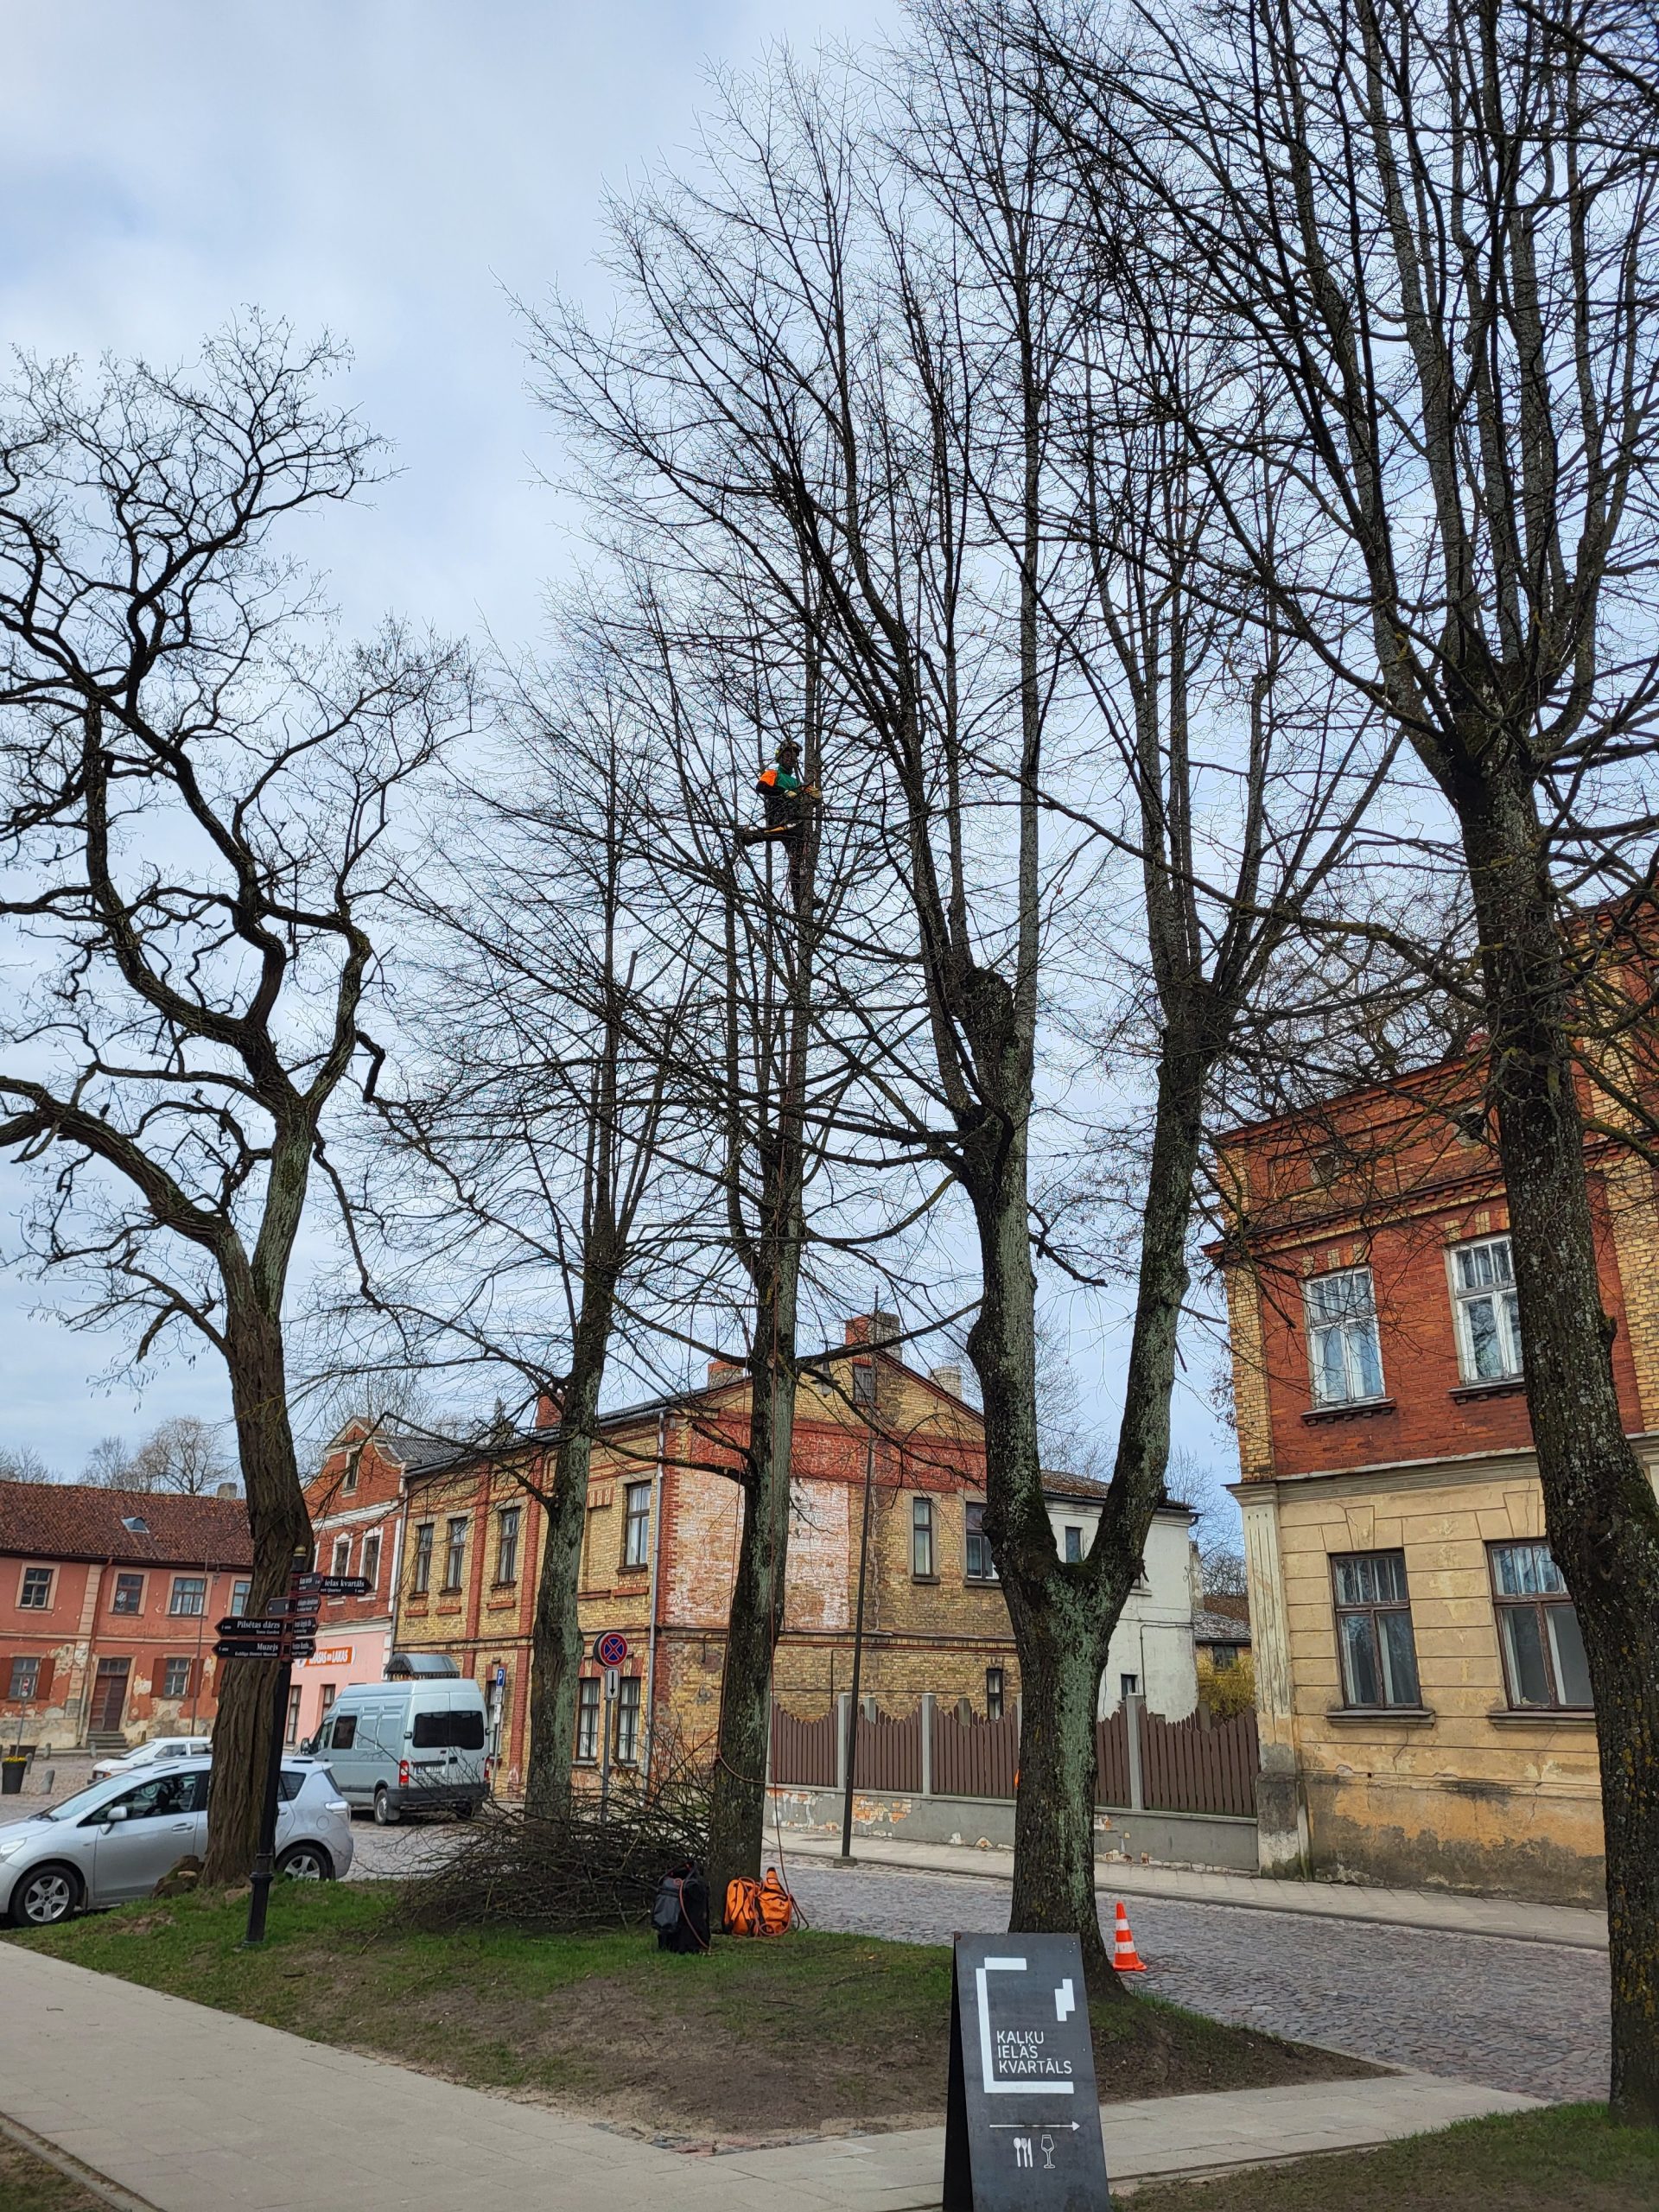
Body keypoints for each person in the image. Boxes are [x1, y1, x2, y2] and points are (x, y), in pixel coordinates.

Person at [738, 740, 818, 904]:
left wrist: (815, 795)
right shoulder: (773, 774)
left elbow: (812, 800)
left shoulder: (797, 783)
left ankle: (799, 900)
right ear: (780, 758)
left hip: (796, 820)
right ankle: (752, 836)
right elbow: (761, 787)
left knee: (797, 861)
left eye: (793, 757)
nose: (791, 759)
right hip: (780, 812)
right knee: (787, 830)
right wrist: (783, 792)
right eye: (787, 755)